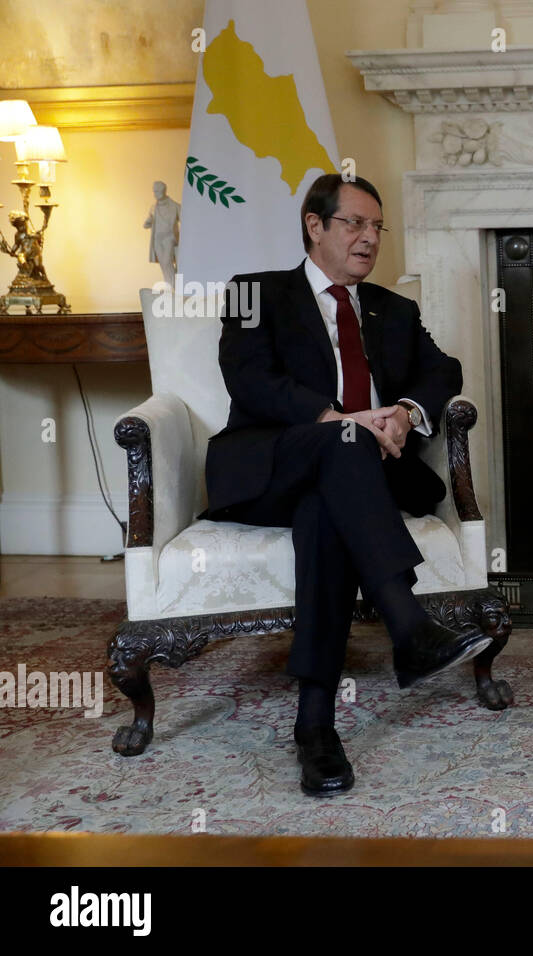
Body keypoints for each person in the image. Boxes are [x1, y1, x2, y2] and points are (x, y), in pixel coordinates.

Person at [204, 173, 491, 796]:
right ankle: (407, 624)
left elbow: (445, 369)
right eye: (355, 224)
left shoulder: (395, 309)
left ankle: (315, 726)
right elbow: (250, 380)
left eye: (377, 227)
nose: (370, 238)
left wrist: (405, 413)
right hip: (271, 466)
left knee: (323, 516)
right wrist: (343, 422)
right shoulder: (256, 293)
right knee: (341, 447)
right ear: (315, 225)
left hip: (363, 482)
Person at [144, 181, 181, 288]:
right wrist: (148, 221)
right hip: (157, 240)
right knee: (164, 265)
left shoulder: (175, 206)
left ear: (163, 191)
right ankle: (172, 286)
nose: (155, 193)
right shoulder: (153, 208)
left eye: (157, 191)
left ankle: (174, 287)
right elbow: (148, 222)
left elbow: (186, 221)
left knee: (167, 262)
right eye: (154, 191)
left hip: (169, 239)